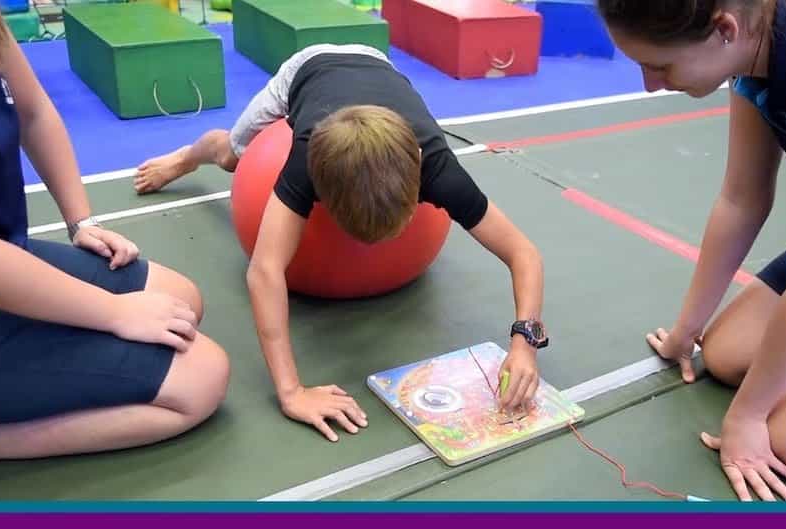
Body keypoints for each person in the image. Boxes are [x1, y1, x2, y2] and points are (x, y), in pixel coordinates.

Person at [0, 0, 230, 464]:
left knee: (181, 300)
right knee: (201, 378)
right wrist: (115, 312)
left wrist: (80, 221)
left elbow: (34, 111)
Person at [134, 44, 547, 443]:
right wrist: (291, 391)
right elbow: (264, 271)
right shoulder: (306, 160)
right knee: (232, 156)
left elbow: (523, 253)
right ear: (322, 188)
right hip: (309, 69)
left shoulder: (437, 164)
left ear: (418, 172)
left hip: (376, 65)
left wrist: (524, 341)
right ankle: (186, 157)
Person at [597, 0, 786, 501]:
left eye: (659, 65)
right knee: (725, 354)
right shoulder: (753, 42)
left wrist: (748, 418)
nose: (649, 84)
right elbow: (742, 199)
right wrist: (686, 331)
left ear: (723, 29)